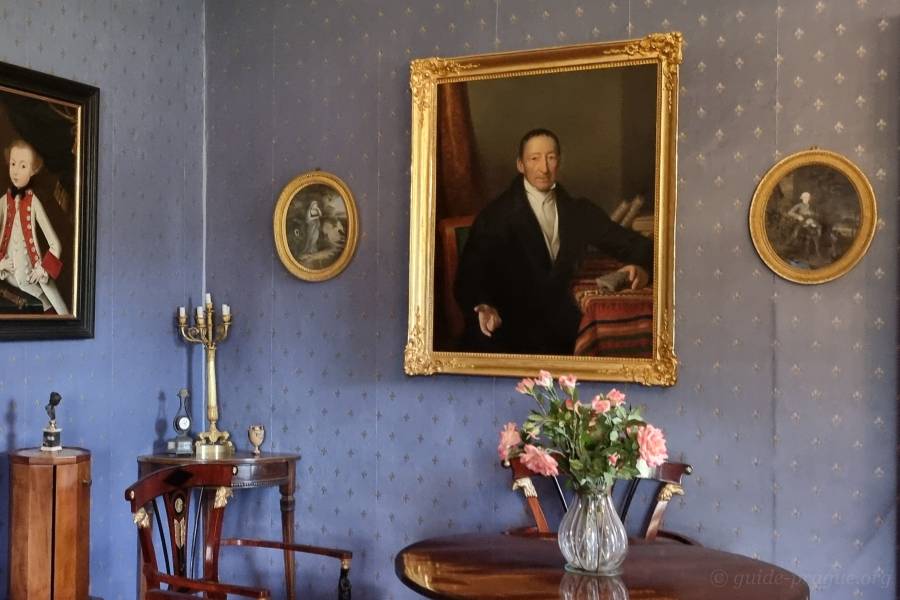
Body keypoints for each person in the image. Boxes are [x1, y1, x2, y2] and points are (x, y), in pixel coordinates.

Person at [454, 128, 652, 355]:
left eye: (551, 158)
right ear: (520, 165)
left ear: (559, 162)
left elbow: (636, 245)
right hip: (507, 327)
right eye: (534, 158)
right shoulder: (496, 215)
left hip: (562, 328)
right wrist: (484, 305)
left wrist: (643, 268)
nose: (544, 168)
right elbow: (468, 275)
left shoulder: (579, 211)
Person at [0, 139, 68, 314]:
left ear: (33, 170)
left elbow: (55, 244)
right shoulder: (3, 202)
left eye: (23, 166)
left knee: (60, 311)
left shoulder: (33, 202)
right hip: (12, 274)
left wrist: (42, 269)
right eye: (13, 164)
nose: (15, 171)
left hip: (35, 271)